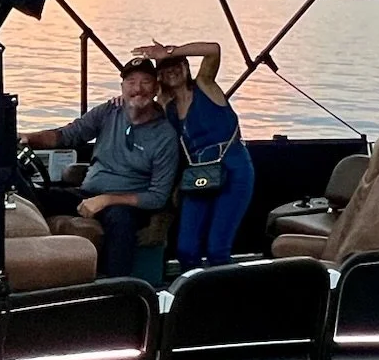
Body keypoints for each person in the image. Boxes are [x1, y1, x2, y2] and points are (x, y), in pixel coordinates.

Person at [23, 56, 181, 278]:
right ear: (122, 87)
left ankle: (118, 291)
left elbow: (157, 197)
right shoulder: (109, 111)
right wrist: (27, 138)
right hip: (87, 193)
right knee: (29, 198)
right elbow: (68, 135)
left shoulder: (165, 136)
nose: (138, 89)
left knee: (121, 222)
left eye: (145, 82)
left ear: (155, 88)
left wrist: (107, 200)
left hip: (128, 205)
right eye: (131, 81)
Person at [148, 40, 256, 268]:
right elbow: (140, 97)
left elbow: (214, 49)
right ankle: (195, 296)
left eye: (177, 64)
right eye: (165, 68)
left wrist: (171, 51)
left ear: (187, 67)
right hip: (197, 174)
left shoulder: (206, 86)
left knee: (218, 249)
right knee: (185, 249)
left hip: (233, 167)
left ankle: (226, 297)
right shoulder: (166, 104)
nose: (172, 70)